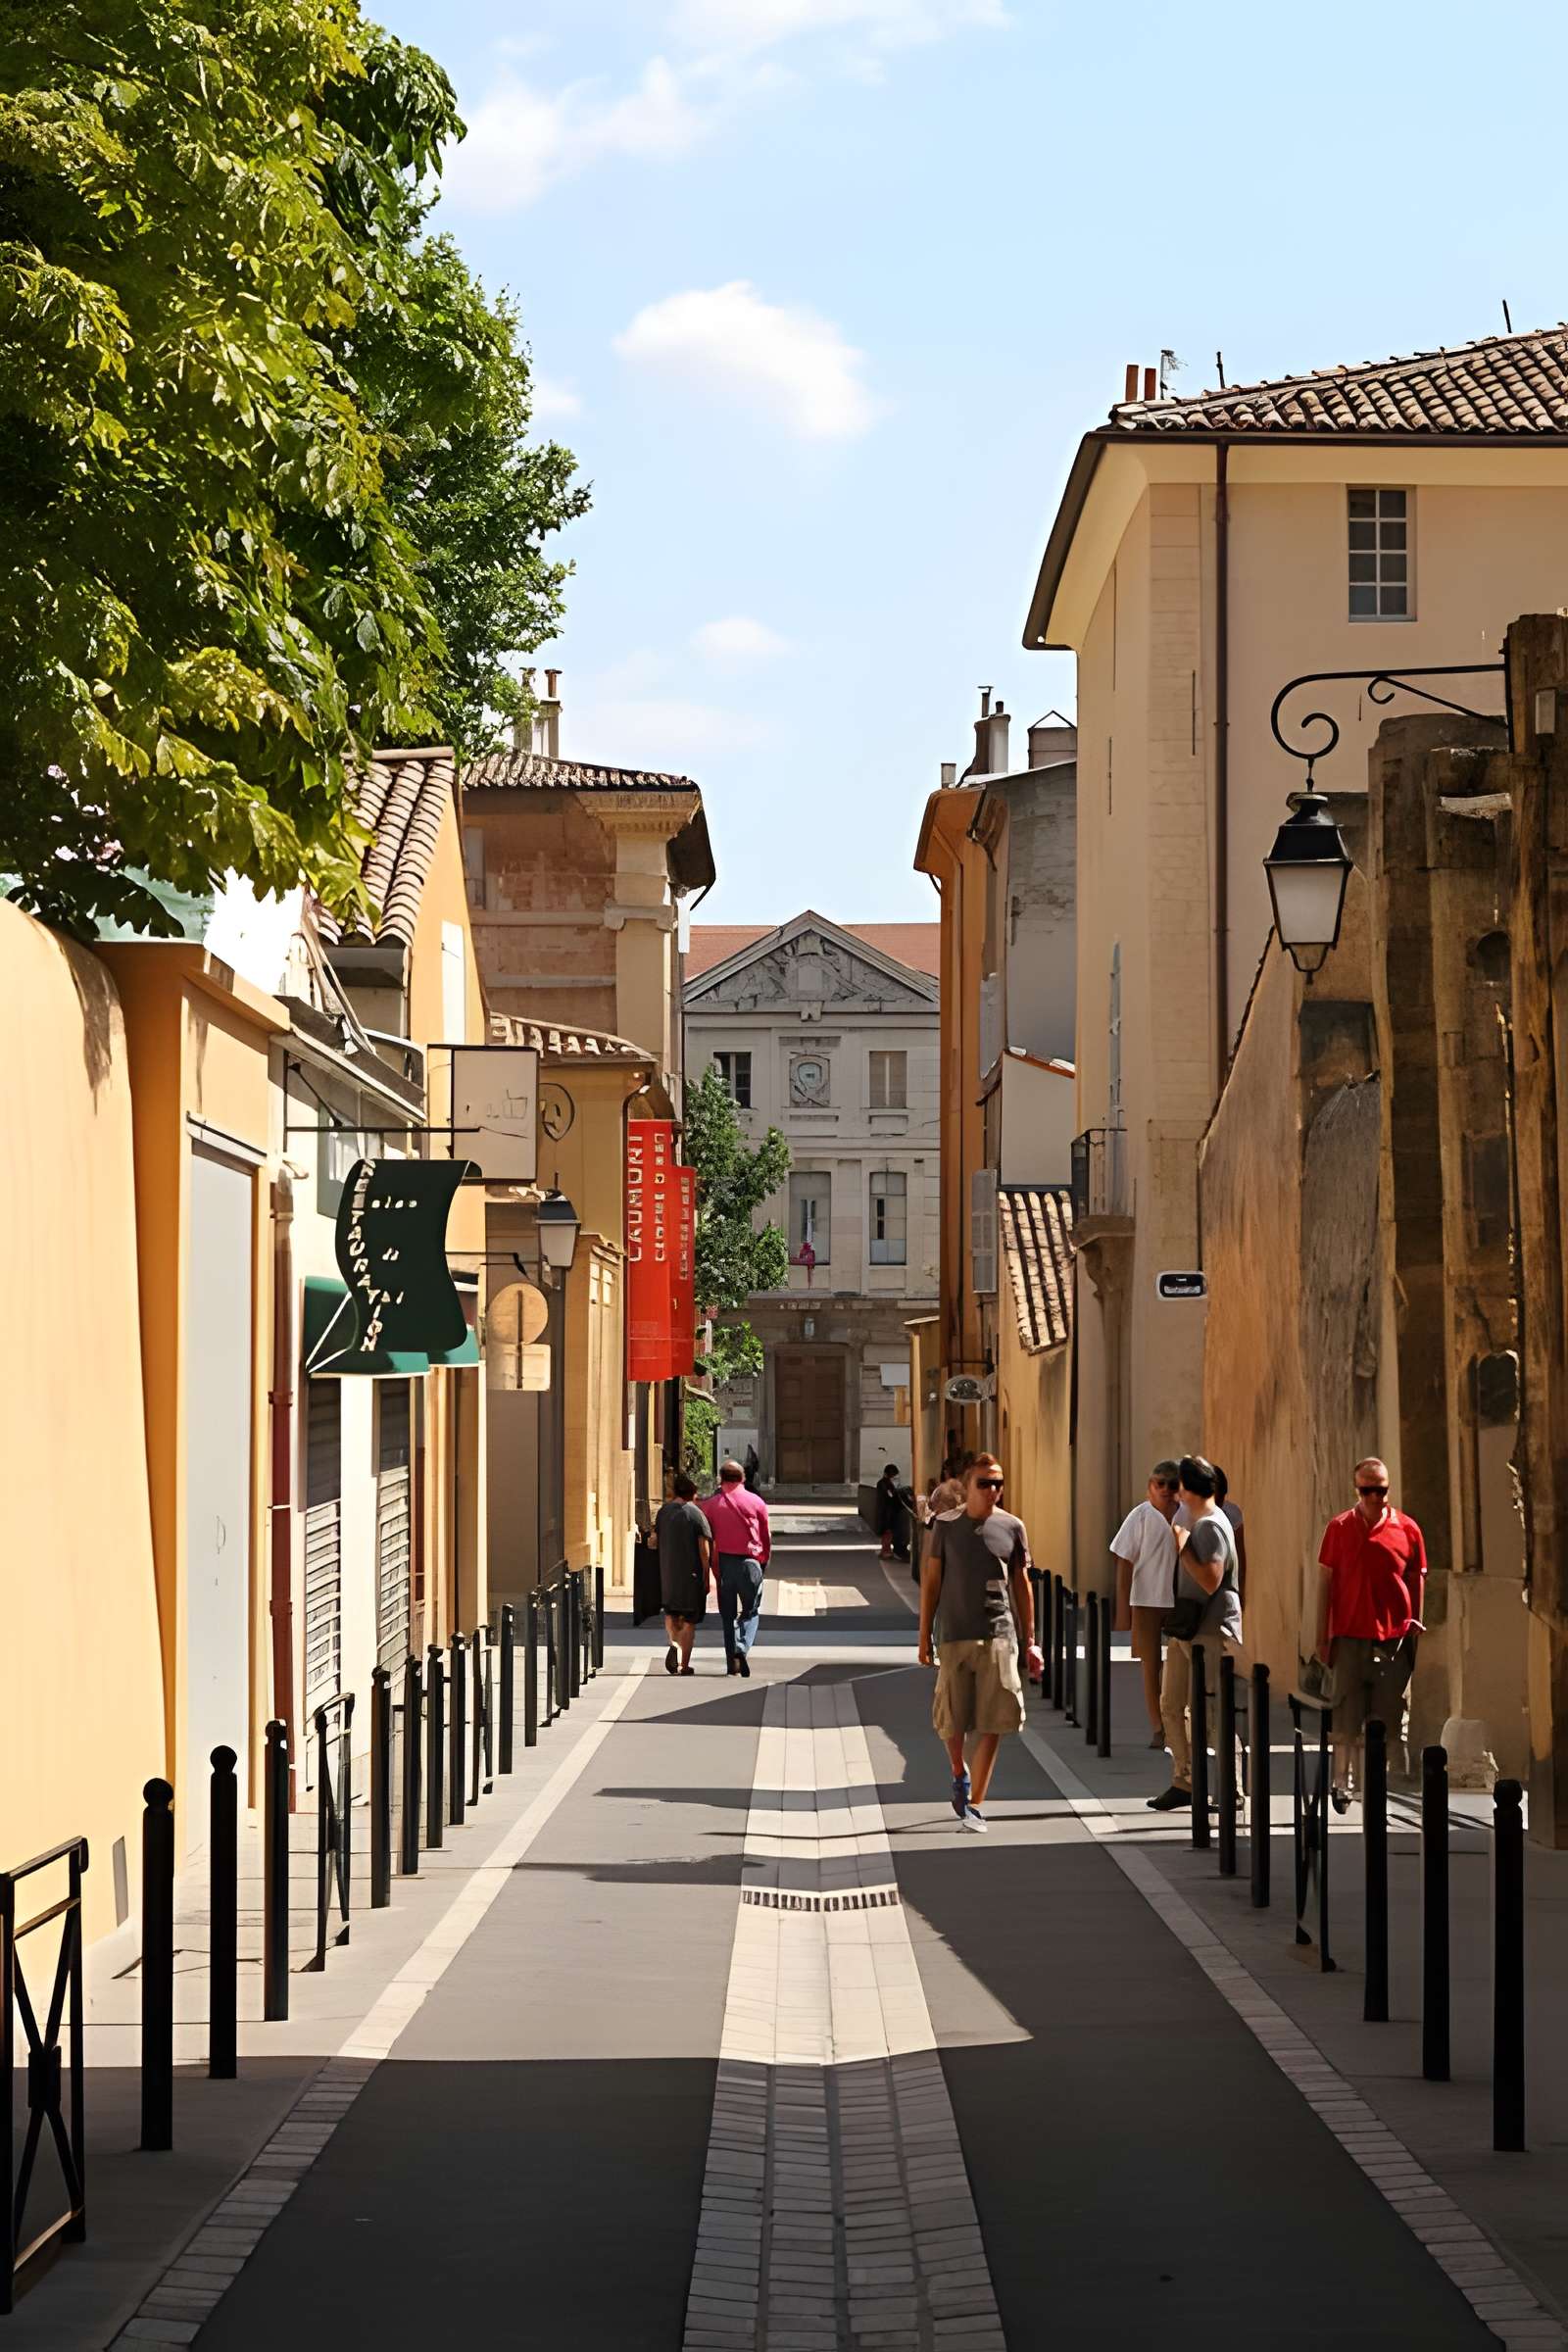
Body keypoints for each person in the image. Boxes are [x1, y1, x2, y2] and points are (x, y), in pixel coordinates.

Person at [918, 1454, 1044, 1835]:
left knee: (995, 1720)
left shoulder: (1013, 1527)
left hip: (999, 1634)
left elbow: (1022, 1585)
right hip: (954, 1634)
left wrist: (1030, 1640)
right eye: (985, 1483)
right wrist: (924, 1635)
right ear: (968, 1486)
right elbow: (933, 1581)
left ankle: (975, 1806)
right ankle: (959, 1771)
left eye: (998, 1484)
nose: (993, 1490)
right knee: (951, 1719)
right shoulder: (945, 1526)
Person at [1316, 1457, 1427, 1810]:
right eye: (1367, 1490)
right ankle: (1340, 1783)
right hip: (1348, 1634)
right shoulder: (1339, 1528)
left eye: (1380, 1490)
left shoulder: (1407, 1529)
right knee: (1345, 1714)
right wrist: (1323, 1634)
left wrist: (1414, 1630)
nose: (1374, 1497)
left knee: (1386, 1716)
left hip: (1392, 1637)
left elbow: (1417, 1580)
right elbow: (1325, 1583)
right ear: (1357, 1489)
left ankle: (1374, 1785)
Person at [1149, 1455, 1243, 1813]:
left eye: (1179, 1486)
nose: (1174, 1493)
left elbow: (1210, 1579)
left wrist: (1182, 1545)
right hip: (1186, 1627)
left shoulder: (1211, 1526)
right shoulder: (1195, 1520)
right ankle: (1184, 1780)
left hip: (1208, 1629)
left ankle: (1230, 1789)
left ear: (1188, 1489)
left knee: (1212, 1712)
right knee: (1171, 1704)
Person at [1110, 1460, 1181, 1746]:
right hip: (1146, 1601)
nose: (1165, 1490)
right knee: (1150, 1666)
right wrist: (1123, 1611)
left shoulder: (1187, 1516)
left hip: (1180, 1602)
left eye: (1171, 1484)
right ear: (1150, 1487)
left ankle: (1179, 1723)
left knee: (1178, 1667)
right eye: (1159, 1483)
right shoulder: (1139, 1517)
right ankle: (1158, 1727)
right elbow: (1124, 1563)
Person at [701, 1459, 772, 1678]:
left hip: (724, 1564)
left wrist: (711, 1568)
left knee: (727, 1615)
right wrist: (764, 1560)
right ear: (743, 1479)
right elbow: (765, 1536)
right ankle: (742, 1647)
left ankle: (731, 1663)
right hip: (751, 1562)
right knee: (751, 1612)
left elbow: (706, 1539)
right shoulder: (757, 1502)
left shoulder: (710, 1505)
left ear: (720, 1479)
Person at [652, 1472, 712, 1676]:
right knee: (688, 1620)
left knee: (670, 1613)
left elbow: (655, 1539)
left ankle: (673, 1643)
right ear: (692, 1493)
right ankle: (684, 1664)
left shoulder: (663, 1512)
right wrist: (706, 1574)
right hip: (691, 1575)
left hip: (668, 1573)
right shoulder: (696, 1514)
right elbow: (704, 1549)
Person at [874, 1462, 909, 1562]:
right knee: (887, 1532)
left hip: (886, 1513)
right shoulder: (885, 1484)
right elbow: (890, 1497)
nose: (896, 1478)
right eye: (894, 1476)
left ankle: (886, 1551)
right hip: (887, 1513)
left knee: (887, 1532)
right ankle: (886, 1551)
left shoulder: (883, 1483)